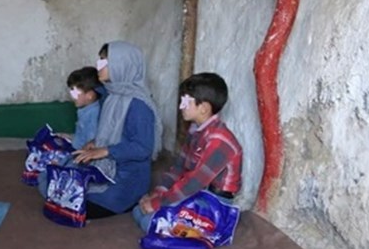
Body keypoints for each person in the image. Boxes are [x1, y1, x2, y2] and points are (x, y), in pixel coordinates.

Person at [43, 41, 162, 219]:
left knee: (66, 196)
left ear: (122, 65)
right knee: (49, 181)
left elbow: (143, 148)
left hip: (125, 178)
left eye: (104, 61)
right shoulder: (112, 94)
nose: (99, 65)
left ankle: (126, 201)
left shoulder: (139, 105)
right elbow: (108, 132)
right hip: (104, 166)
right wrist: (95, 143)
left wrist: (105, 150)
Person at [132, 72, 243, 232]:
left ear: (204, 108)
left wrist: (157, 203)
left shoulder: (220, 141)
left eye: (185, 101)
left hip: (213, 204)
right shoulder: (195, 131)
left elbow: (194, 183)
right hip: (194, 195)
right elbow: (178, 169)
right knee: (139, 211)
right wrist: (158, 193)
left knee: (149, 221)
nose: (180, 106)